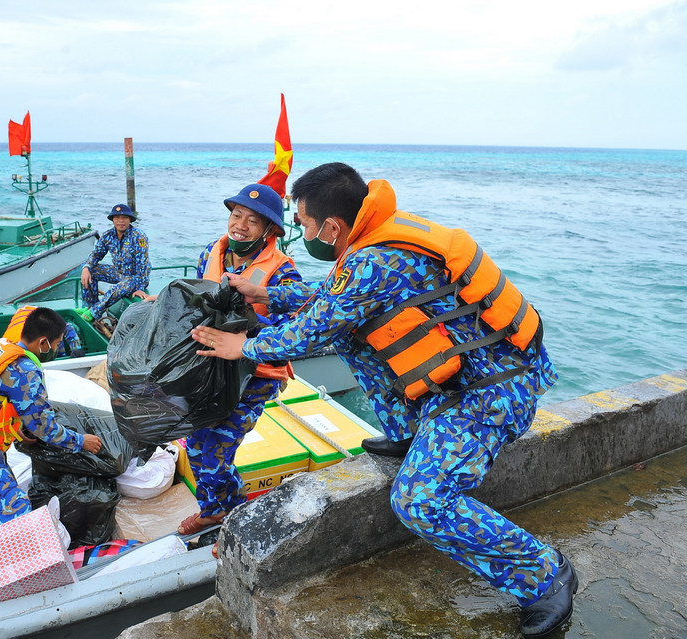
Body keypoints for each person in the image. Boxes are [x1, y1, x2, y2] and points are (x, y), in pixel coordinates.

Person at [191, 163, 576, 638]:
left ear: (332, 227)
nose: (304, 234)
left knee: (419, 502)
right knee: (352, 335)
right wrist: (266, 292)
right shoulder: (380, 238)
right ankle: (409, 433)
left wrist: (243, 346)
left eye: (306, 224)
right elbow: (338, 301)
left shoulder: (372, 261)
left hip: (489, 393)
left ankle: (543, 575)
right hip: (471, 377)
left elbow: (313, 330)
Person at [176, 183, 302, 557]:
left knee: (217, 449)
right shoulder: (210, 253)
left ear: (269, 230)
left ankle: (232, 521)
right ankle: (214, 510)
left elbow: (293, 331)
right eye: (236, 215)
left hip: (255, 375)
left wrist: (246, 329)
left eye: (252, 221)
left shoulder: (283, 272)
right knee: (196, 444)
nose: (240, 226)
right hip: (211, 369)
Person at [0, 306, 102, 527]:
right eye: (57, 344)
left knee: (2, 502)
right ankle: (15, 549)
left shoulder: (2, 348)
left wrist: (16, 425)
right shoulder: (24, 371)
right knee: (16, 508)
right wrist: (81, 441)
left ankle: (1, 542)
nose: (57, 349)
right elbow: (43, 427)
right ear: (43, 343)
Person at [79, 204, 151, 322]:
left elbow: (143, 265)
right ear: (112, 220)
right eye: (117, 217)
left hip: (135, 278)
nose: (120, 221)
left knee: (120, 286)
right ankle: (88, 306)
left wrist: (140, 288)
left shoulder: (138, 237)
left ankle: (94, 311)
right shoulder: (108, 235)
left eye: (124, 218)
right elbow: (96, 254)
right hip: (118, 273)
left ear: (130, 219)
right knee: (90, 272)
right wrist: (86, 268)